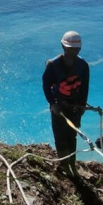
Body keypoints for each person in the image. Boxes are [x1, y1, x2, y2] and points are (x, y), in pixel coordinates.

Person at [42, 31, 90, 178]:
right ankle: (65, 166)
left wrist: (82, 105)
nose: (74, 51)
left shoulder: (83, 65)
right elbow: (46, 86)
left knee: (72, 136)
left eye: (76, 49)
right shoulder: (53, 65)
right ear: (63, 46)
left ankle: (72, 165)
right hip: (59, 107)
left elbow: (84, 87)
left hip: (74, 107)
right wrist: (53, 103)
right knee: (60, 137)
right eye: (71, 48)